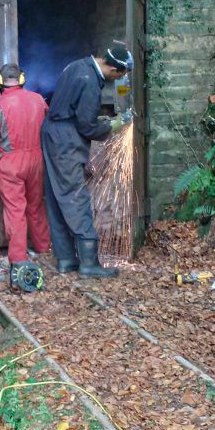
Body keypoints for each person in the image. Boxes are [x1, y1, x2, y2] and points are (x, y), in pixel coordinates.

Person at [41, 42, 134, 279]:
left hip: (52, 133)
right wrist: (113, 124)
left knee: (56, 196)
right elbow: (87, 126)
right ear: (115, 70)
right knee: (75, 196)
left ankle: (66, 259)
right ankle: (89, 263)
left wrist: (96, 118)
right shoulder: (91, 81)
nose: (117, 81)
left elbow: (74, 108)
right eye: (120, 77)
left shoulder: (77, 66)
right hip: (66, 141)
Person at [0, 63, 51, 284]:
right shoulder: (39, 100)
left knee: (15, 210)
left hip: (11, 163)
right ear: (22, 79)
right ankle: (43, 247)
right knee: (36, 204)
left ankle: (18, 257)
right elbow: (47, 122)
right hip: (37, 159)